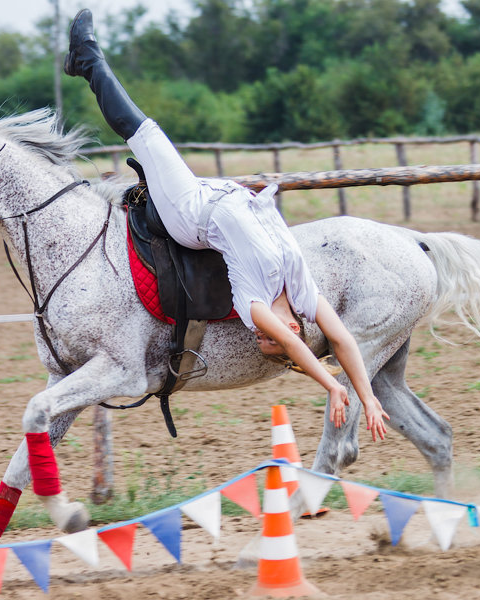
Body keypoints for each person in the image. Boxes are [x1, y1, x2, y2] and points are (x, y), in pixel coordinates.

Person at [64, 9, 389, 441]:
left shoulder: (253, 305)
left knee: (143, 132)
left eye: (264, 344)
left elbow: (299, 345)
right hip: (217, 193)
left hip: (193, 213)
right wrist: (361, 394)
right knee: (146, 134)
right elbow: (342, 339)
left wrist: (333, 385)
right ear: (292, 328)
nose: (260, 341)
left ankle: (87, 59)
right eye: (271, 342)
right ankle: (84, 61)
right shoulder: (301, 291)